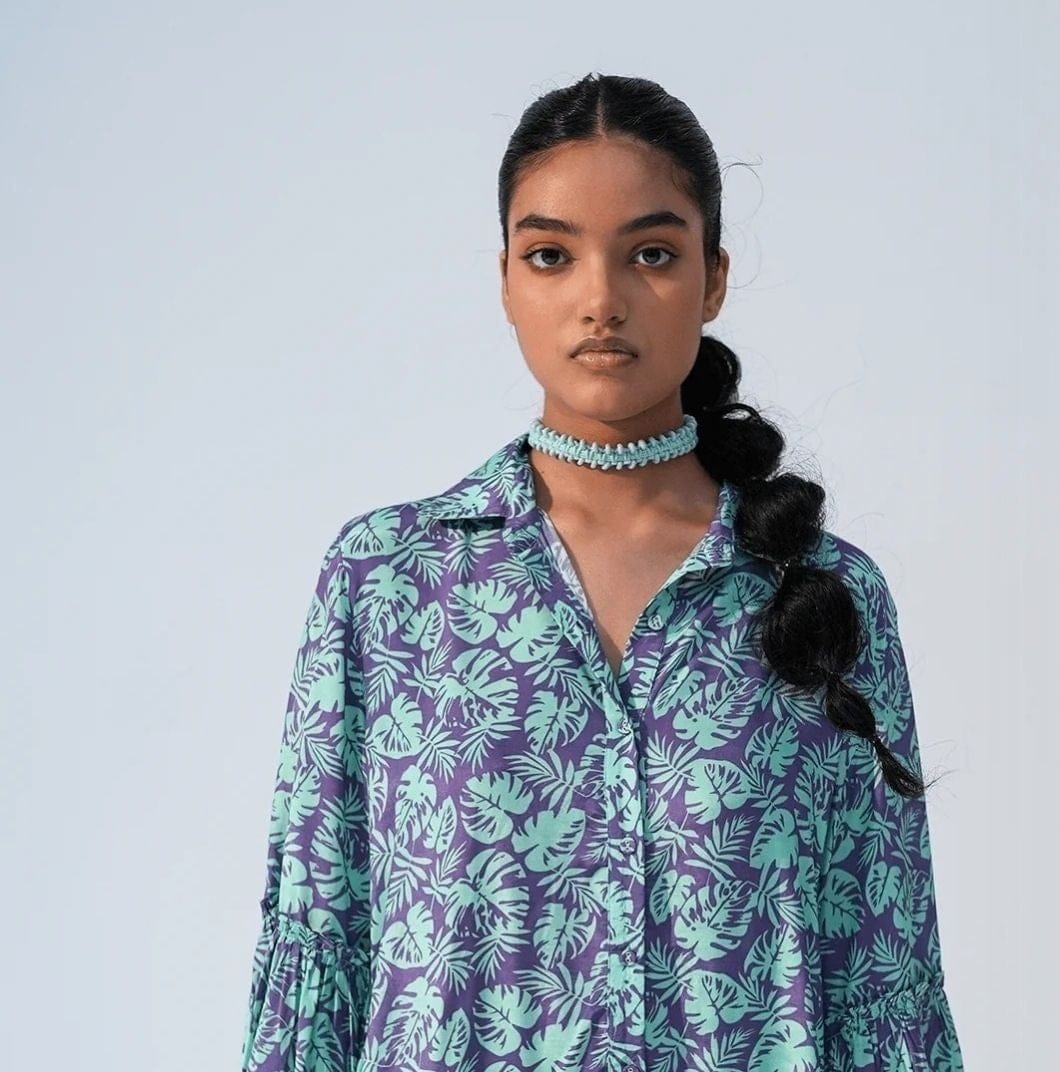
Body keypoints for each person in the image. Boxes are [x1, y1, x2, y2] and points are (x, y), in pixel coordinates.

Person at [238, 73, 964, 1072]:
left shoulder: (824, 594)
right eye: (551, 255)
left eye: (651, 255)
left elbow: (886, 975)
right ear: (505, 280)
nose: (600, 300)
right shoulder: (388, 583)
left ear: (713, 278)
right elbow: (321, 941)